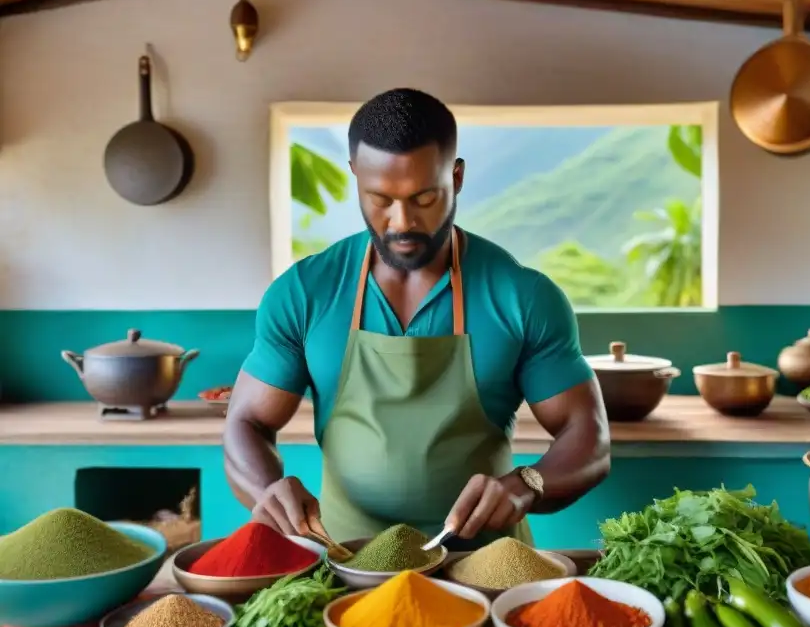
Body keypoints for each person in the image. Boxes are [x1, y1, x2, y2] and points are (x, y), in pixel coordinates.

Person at [224, 88, 610, 550]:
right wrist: (268, 489)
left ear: (458, 176)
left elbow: (588, 436)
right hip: (348, 559)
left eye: (424, 198)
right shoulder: (305, 293)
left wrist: (528, 484)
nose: (401, 221)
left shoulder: (522, 296)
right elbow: (245, 421)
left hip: (486, 563)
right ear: (355, 176)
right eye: (379, 198)